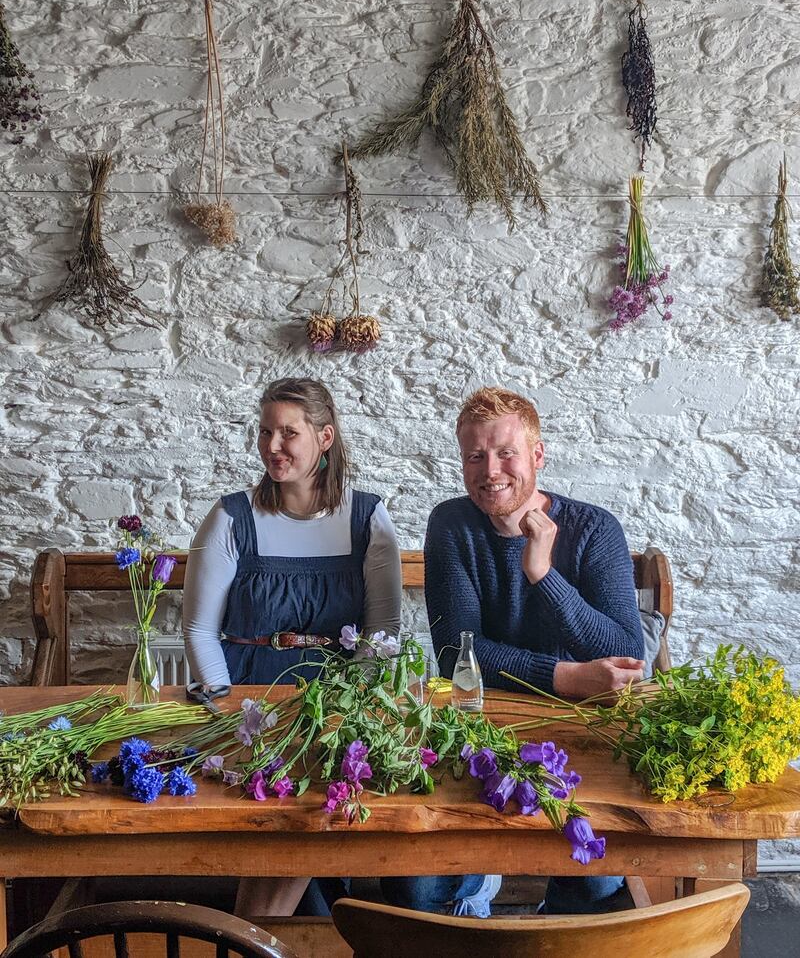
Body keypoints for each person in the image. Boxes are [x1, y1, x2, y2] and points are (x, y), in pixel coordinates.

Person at [389, 386, 646, 917]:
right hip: (481, 727)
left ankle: (554, 927)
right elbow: (456, 655)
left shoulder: (594, 529)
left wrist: (542, 573)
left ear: (537, 455)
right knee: (418, 885)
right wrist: (567, 676)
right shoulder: (452, 524)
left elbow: (624, 652)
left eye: (506, 453)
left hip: (580, 731)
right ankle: (470, 907)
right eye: (475, 456)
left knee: (596, 880)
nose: (491, 471)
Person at [183, 376, 402, 915]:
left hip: (334, 707)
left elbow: (382, 634)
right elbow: (199, 630)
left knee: (311, 816)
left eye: (288, 433)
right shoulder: (231, 517)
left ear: (325, 437)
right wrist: (231, 713)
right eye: (265, 432)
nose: (272, 446)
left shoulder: (366, 518)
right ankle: (295, 928)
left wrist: (350, 716)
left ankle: (258, 930)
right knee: (294, 830)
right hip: (250, 703)